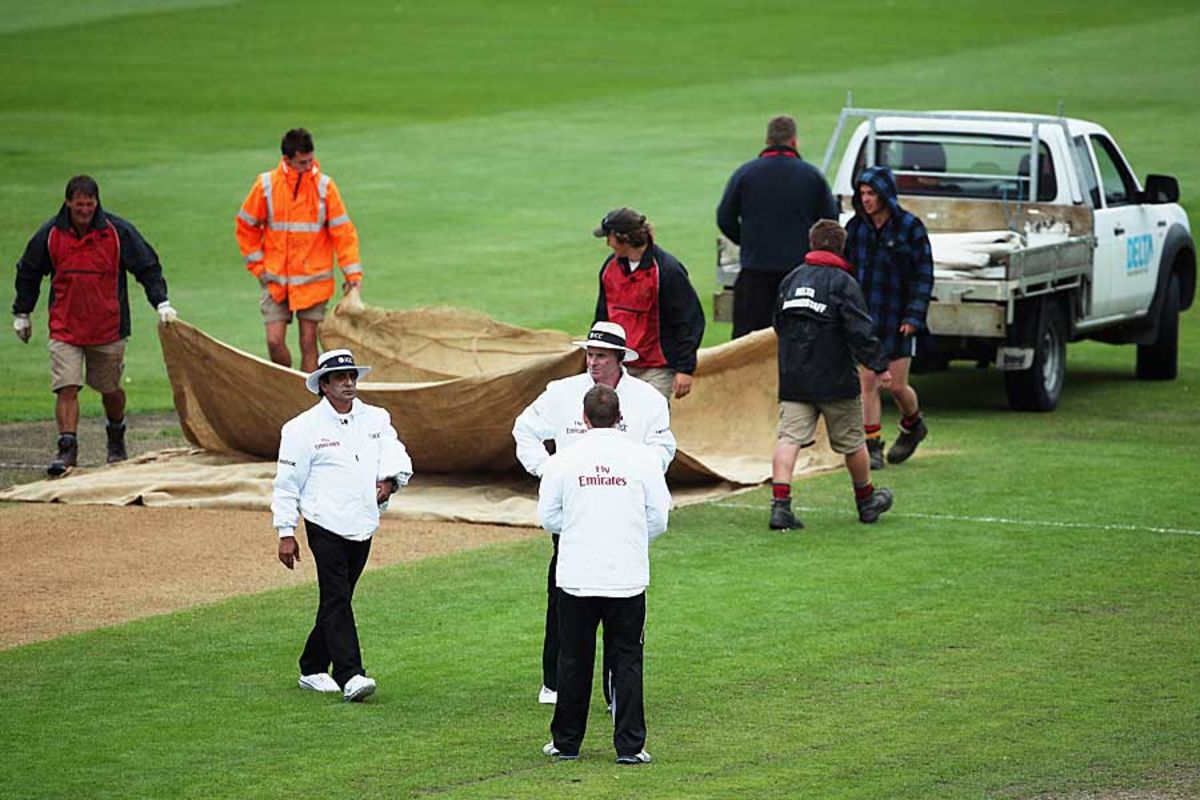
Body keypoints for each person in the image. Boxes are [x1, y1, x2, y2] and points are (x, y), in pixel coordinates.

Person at [513, 321, 675, 707]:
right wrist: (548, 469)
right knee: (563, 596)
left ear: (620, 358)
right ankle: (554, 682)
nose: (593, 363)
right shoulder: (561, 393)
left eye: (601, 356)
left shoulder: (649, 400)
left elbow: (663, 446)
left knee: (624, 601)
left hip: (625, 516)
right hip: (577, 513)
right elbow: (524, 430)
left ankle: (615, 690)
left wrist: (635, 475)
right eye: (589, 354)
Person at [538, 384, 670, 765]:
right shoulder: (643, 458)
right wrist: (625, 534)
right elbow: (658, 517)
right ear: (620, 417)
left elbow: (548, 516)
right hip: (625, 576)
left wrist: (582, 529)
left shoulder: (564, 459)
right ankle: (629, 746)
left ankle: (566, 743)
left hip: (577, 575)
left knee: (573, 660)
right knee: (627, 659)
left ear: (583, 419)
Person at [271, 348, 413, 702]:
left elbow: (395, 454)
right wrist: (286, 532)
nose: (348, 383)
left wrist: (391, 481)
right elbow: (287, 483)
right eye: (339, 378)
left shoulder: (376, 418)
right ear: (324, 385)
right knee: (336, 595)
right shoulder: (301, 429)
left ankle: (312, 666)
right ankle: (351, 675)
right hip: (323, 521)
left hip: (364, 520)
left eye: (351, 377)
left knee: (339, 597)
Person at [11, 175, 176, 477]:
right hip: (65, 327)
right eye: (79, 204)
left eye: (90, 204)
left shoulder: (117, 232)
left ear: (96, 203)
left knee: (109, 389)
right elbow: (29, 271)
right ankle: (66, 449)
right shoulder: (50, 234)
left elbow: (147, 266)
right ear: (68, 203)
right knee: (67, 386)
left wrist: (161, 302)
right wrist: (22, 312)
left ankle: (116, 435)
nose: (85, 210)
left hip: (107, 328)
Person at [770, 220, 896, 530]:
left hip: (794, 378)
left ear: (812, 245)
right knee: (853, 444)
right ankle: (866, 502)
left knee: (789, 439)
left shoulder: (790, 280)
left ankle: (780, 507)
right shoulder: (843, 283)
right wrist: (879, 364)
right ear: (841, 247)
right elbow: (860, 330)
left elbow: (777, 324)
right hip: (836, 380)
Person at [236, 128, 363, 374]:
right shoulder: (266, 186)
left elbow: (343, 233)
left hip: (313, 282)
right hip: (275, 281)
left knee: (308, 343)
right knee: (274, 341)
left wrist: (353, 277)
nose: (309, 166)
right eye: (302, 162)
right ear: (287, 160)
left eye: (310, 159)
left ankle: (307, 399)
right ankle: (287, 387)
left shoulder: (325, 187)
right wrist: (259, 268)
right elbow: (245, 225)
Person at [717, 114, 838, 339]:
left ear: (767, 140)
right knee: (798, 340)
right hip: (799, 275)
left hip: (755, 273)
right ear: (794, 142)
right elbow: (830, 224)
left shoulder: (746, 174)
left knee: (747, 345)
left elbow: (724, 217)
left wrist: (748, 241)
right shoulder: (811, 176)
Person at [844, 166, 934, 469]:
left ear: (885, 195)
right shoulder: (855, 228)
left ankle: (913, 424)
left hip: (898, 318)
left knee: (896, 386)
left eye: (872, 194)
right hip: (865, 320)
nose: (866, 199)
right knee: (866, 381)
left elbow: (924, 275)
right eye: (863, 194)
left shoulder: (911, 227)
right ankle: (872, 446)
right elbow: (845, 272)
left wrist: (914, 316)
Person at [593, 207, 705, 403]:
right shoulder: (609, 269)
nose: (608, 244)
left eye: (609, 237)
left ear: (624, 238)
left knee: (649, 423)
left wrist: (685, 369)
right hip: (618, 365)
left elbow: (689, 319)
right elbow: (602, 317)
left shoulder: (668, 271)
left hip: (656, 368)